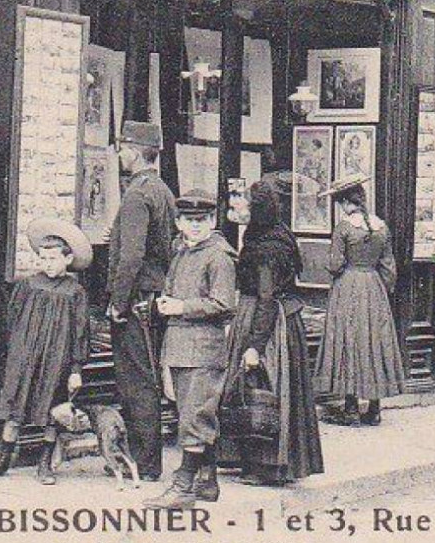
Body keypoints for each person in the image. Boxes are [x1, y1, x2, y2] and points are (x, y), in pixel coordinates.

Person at [222, 175, 324, 485]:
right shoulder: (274, 234)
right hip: (277, 317)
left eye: (246, 202)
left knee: (260, 389)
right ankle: (259, 460)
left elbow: (266, 297)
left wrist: (254, 345)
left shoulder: (265, 247)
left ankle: (264, 465)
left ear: (260, 209)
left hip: (266, 322)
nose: (238, 206)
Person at [0, 217, 93, 485]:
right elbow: (12, 319)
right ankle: (3, 459)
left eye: (53, 259)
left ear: (67, 260)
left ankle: (45, 463)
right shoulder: (28, 286)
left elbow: (80, 333)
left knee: (52, 410)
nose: (47, 264)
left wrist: (76, 369)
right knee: (15, 407)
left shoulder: (75, 292)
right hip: (25, 357)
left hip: (57, 360)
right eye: (43, 259)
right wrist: (18, 351)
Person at [146, 191, 236, 510]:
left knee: (195, 416)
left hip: (204, 347)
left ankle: (183, 486)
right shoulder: (182, 251)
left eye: (202, 220)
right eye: (189, 221)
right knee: (192, 413)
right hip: (180, 345)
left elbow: (224, 304)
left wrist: (181, 306)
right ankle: (207, 481)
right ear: (178, 222)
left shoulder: (218, 257)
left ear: (213, 221)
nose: (196, 227)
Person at [105, 120, 177, 482]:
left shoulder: (136, 194)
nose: (120, 154)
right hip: (155, 296)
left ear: (133, 150)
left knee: (137, 381)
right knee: (148, 378)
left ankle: (145, 466)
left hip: (136, 301)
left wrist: (118, 302)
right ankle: (145, 461)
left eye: (122, 148)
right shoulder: (162, 190)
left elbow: (130, 256)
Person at [313, 173, 406, 426]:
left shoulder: (344, 228)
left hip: (349, 286)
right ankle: (374, 409)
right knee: (374, 343)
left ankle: (351, 407)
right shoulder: (380, 226)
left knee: (349, 341)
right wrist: (381, 292)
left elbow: (335, 264)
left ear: (344, 202)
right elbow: (389, 268)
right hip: (374, 287)